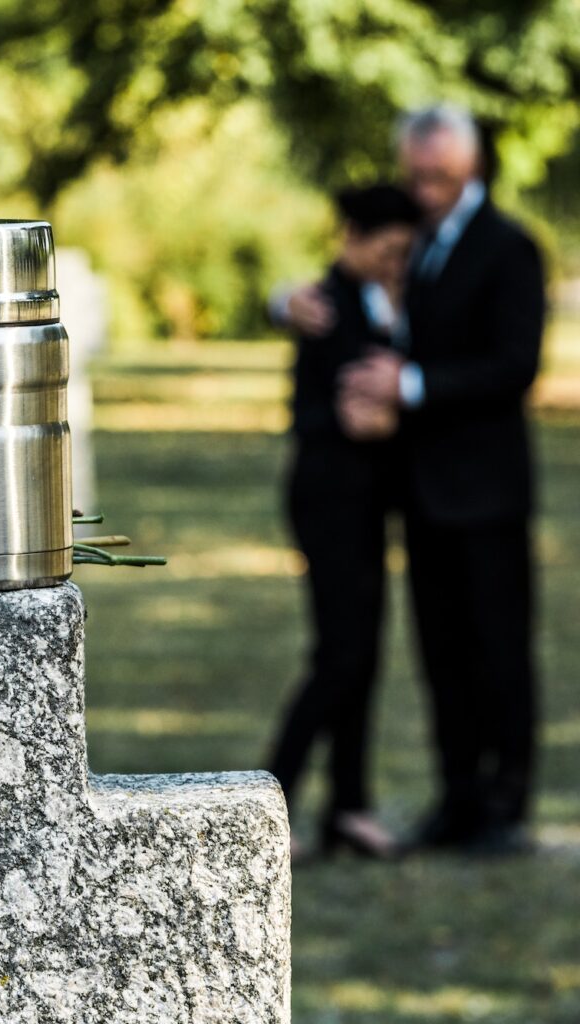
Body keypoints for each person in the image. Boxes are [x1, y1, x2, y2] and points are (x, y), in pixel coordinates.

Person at [279, 105, 546, 855]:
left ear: (475, 170)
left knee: (499, 649)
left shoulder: (510, 248)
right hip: (418, 496)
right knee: (440, 657)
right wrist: (279, 301)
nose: (425, 190)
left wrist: (414, 385)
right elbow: (338, 290)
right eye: (417, 175)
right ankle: (456, 796)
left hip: (487, 491)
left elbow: (515, 366)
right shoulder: (408, 245)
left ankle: (503, 804)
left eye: (442, 177)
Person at [268, 184, 424, 861]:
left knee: (364, 651)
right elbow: (304, 411)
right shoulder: (322, 304)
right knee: (338, 657)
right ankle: (269, 800)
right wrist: (349, 421)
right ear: (353, 237)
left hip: (367, 505)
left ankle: (349, 807)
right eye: (386, 250)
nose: (395, 263)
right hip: (327, 498)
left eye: (403, 253)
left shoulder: (383, 300)